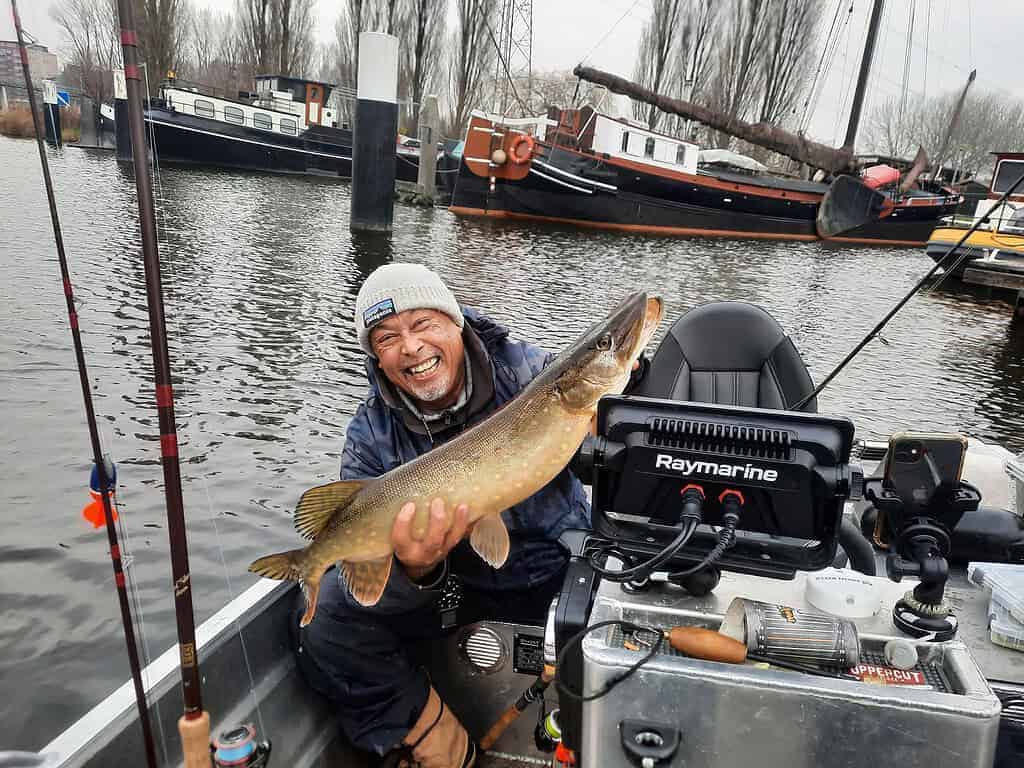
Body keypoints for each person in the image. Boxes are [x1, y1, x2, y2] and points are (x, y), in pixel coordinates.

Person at [294, 263, 595, 768]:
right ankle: (441, 745)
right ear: (377, 358)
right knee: (322, 624)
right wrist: (416, 570)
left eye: (423, 324)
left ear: (455, 322)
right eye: (387, 337)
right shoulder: (370, 439)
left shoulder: (531, 375)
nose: (410, 347)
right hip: (453, 588)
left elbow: (614, 440)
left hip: (555, 570)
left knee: (618, 625)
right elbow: (358, 579)